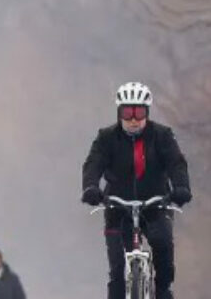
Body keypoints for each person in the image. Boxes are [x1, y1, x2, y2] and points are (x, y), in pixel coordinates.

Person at [81, 81, 192, 299]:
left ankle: (162, 291)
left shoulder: (162, 136)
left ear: (147, 112)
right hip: (117, 206)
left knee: (163, 248)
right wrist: (91, 188)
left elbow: (176, 163)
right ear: (119, 112)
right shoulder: (106, 138)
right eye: (127, 112)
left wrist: (181, 188)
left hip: (156, 203)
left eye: (139, 112)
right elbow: (93, 164)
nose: (133, 119)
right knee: (117, 269)